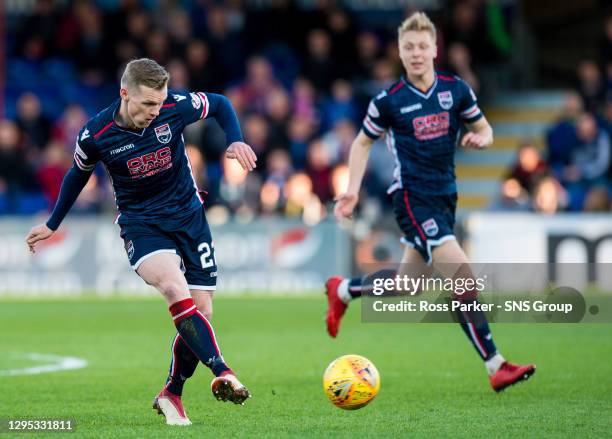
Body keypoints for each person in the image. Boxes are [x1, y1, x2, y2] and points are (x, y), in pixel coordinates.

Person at [25, 58, 257, 426]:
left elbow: (222, 104)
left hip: (189, 217)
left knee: (203, 313)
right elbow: (76, 175)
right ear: (124, 94)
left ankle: (171, 394)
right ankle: (223, 370)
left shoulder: (173, 107)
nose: (154, 110)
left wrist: (236, 139)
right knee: (172, 285)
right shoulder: (95, 134)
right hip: (142, 223)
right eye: (147, 103)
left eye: (159, 101)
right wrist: (54, 223)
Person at [324, 12, 535, 392]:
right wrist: (352, 189)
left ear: (435, 49)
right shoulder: (389, 100)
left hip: (445, 198)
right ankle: (496, 365)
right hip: (411, 199)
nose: (416, 53)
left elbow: (483, 127)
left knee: (409, 285)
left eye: (423, 46)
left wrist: (483, 138)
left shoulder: (456, 90)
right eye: (409, 47)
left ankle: (343, 290)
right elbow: (361, 142)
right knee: (462, 274)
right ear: (400, 54)